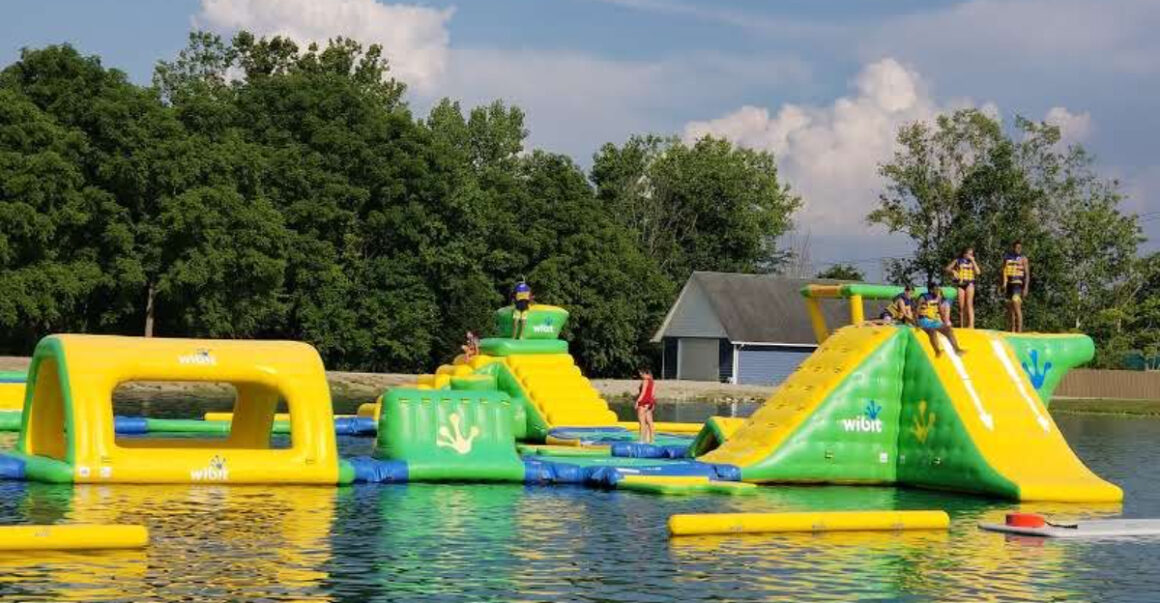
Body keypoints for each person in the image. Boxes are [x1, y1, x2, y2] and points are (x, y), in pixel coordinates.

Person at [917, 282, 966, 357]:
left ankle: (957, 349)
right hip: (924, 320)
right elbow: (916, 310)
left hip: (934, 321)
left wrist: (944, 322)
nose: (937, 290)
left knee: (948, 330)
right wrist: (916, 323)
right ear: (930, 290)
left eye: (938, 289)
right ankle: (937, 351)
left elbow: (940, 310)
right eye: (935, 289)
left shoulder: (938, 297)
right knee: (932, 331)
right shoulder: (923, 297)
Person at [945, 247, 981, 329]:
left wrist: (973, 261)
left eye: (972, 254)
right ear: (964, 254)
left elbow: (978, 272)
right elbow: (947, 268)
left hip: (970, 283)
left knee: (969, 304)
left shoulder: (972, 262)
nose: (971, 256)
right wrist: (953, 271)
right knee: (961, 306)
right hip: (961, 284)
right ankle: (962, 326)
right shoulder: (958, 260)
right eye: (969, 254)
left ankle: (971, 325)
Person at [1001, 241, 1030, 333]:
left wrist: (1026, 287)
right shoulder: (1007, 258)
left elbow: (1027, 274)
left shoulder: (1023, 259)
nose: (1018, 249)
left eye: (1020, 248)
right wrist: (1004, 284)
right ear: (1013, 248)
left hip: (1018, 284)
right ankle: (1012, 329)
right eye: (1017, 248)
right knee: (1010, 308)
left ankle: (1019, 330)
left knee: (1016, 304)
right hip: (1009, 284)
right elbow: (1004, 271)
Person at [635, 367, 656, 444]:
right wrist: (652, 403)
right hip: (649, 403)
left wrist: (637, 401)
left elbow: (643, 393)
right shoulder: (652, 381)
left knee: (642, 422)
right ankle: (651, 440)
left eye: (640, 373)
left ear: (644, 373)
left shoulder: (645, 381)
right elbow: (653, 394)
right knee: (650, 422)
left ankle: (641, 440)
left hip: (643, 403)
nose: (640, 375)